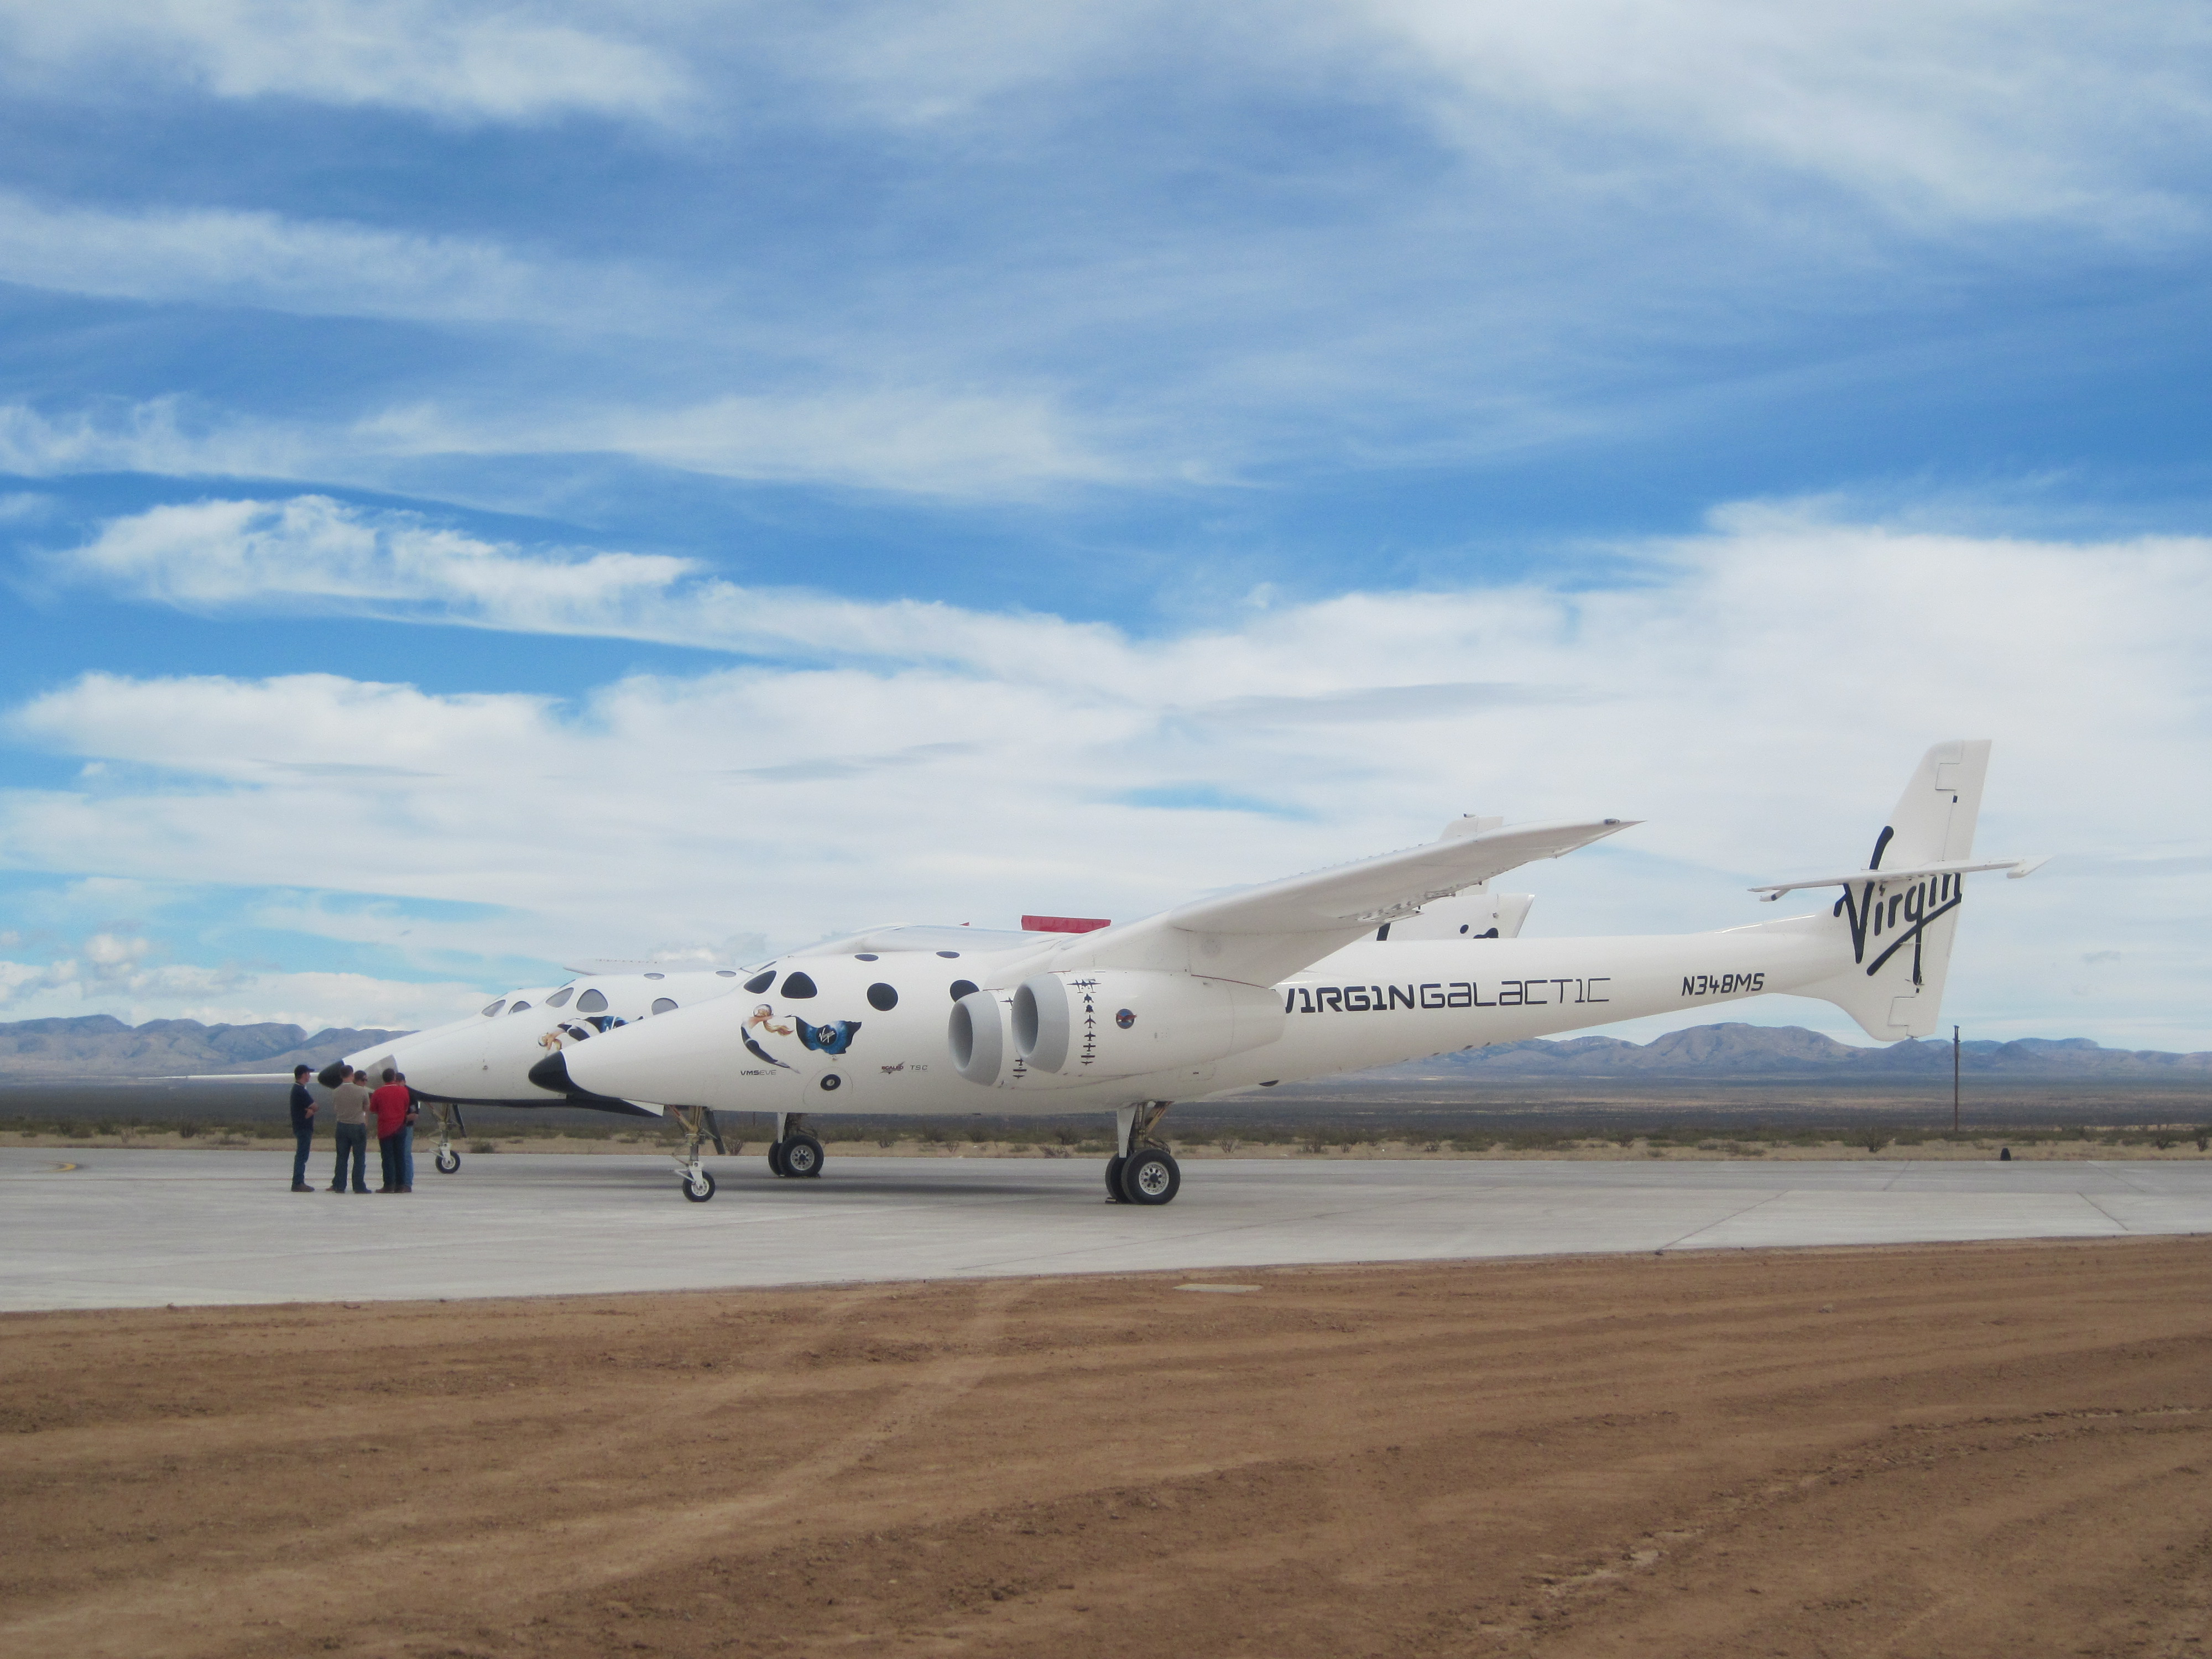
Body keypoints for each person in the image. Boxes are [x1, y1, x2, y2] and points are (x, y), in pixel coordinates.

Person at [369, 1068, 414, 1193]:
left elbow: (373, 1109)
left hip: (385, 1129)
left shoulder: (378, 1092)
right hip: (400, 1127)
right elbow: (406, 1107)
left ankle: (389, 1185)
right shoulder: (404, 1091)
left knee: (387, 1158)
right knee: (400, 1157)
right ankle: (401, 1185)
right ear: (394, 1078)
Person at [328, 1068, 373, 1193]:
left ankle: (339, 1185)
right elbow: (367, 1107)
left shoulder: (336, 1091)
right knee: (359, 1157)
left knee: (342, 1157)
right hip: (357, 1125)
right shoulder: (361, 1091)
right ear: (352, 1075)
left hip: (342, 1125)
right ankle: (358, 1186)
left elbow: (336, 1108)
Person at [287, 1065, 317, 1192]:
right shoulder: (300, 1090)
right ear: (304, 1075)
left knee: (302, 1154)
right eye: (308, 1073)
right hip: (303, 1127)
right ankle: (298, 1182)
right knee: (302, 1155)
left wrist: (310, 1110)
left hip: (301, 1126)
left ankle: (299, 1181)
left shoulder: (298, 1089)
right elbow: (315, 1106)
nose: (309, 1076)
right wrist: (312, 1109)